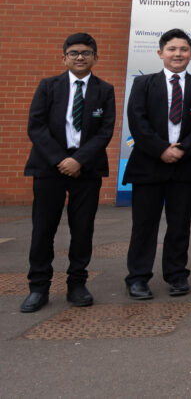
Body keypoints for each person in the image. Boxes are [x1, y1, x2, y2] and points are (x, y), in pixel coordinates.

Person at [21, 33, 116, 313]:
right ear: (64, 58)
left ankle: (77, 285)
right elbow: (36, 126)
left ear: (95, 58)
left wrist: (79, 161)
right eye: (73, 53)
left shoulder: (104, 90)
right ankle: (38, 288)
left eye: (86, 53)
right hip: (50, 168)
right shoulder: (48, 86)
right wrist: (61, 159)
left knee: (82, 229)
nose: (79, 57)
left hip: (86, 170)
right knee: (43, 229)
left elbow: (105, 131)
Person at [124, 28, 191, 300]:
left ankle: (176, 275)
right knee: (144, 225)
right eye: (172, 49)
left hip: (185, 166)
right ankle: (138, 278)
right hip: (149, 164)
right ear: (161, 53)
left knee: (179, 225)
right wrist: (162, 149)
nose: (178, 54)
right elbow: (137, 122)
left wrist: (183, 149)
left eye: (184, 49)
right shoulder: (143, 84)